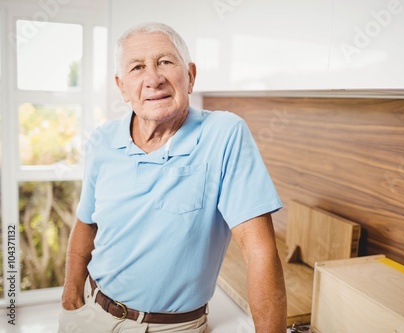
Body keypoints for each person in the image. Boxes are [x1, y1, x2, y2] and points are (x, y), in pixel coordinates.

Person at [58, 22, 287, 333]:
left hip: (172, 327)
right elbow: (86, 222)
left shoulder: (224, 134)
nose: (154, 79)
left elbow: (259, 250)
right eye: (137, 67)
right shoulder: (101, 141)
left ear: (190, 76)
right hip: (92, 310)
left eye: (165, 62)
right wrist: (71, 294)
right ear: (122, 86)